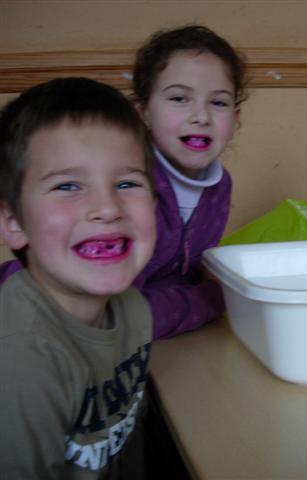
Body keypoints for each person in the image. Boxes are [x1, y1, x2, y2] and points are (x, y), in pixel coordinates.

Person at [0, 77, 157, 477]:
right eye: (68, 185)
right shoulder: (19, 362)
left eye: (127, 183)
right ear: (14, 222)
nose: (107, 207)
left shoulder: (134, 308)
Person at [131, 25, 247, 339]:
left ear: (235, 119)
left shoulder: (220, 186)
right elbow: (115, 316)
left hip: (174, 336)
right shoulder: (126, 186)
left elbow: (190, 272)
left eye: (218, 103)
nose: (201, 116)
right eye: (179, 98)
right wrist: (212, 299)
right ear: (144, 112)